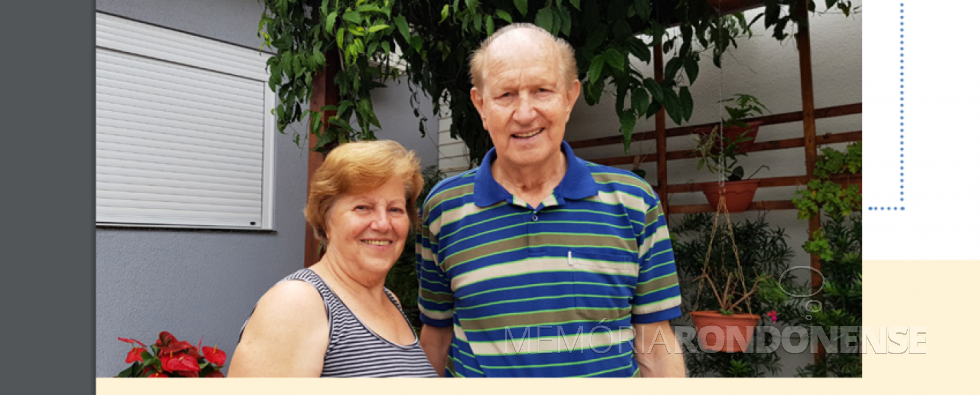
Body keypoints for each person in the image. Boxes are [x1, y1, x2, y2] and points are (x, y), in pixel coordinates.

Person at [415, 24, 685, 377]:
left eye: (542, 90)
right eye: (506, 95)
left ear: (570, 97)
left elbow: (655, 342)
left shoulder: (634, 202)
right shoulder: (443, 209)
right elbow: (436, 337)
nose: (525, 113)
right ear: (481, 105)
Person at [228, 140, 437, 377]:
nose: (382, 223)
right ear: (326, 219)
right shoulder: (296, 303)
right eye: (362, 207)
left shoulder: (390, 302)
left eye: (395, 209)